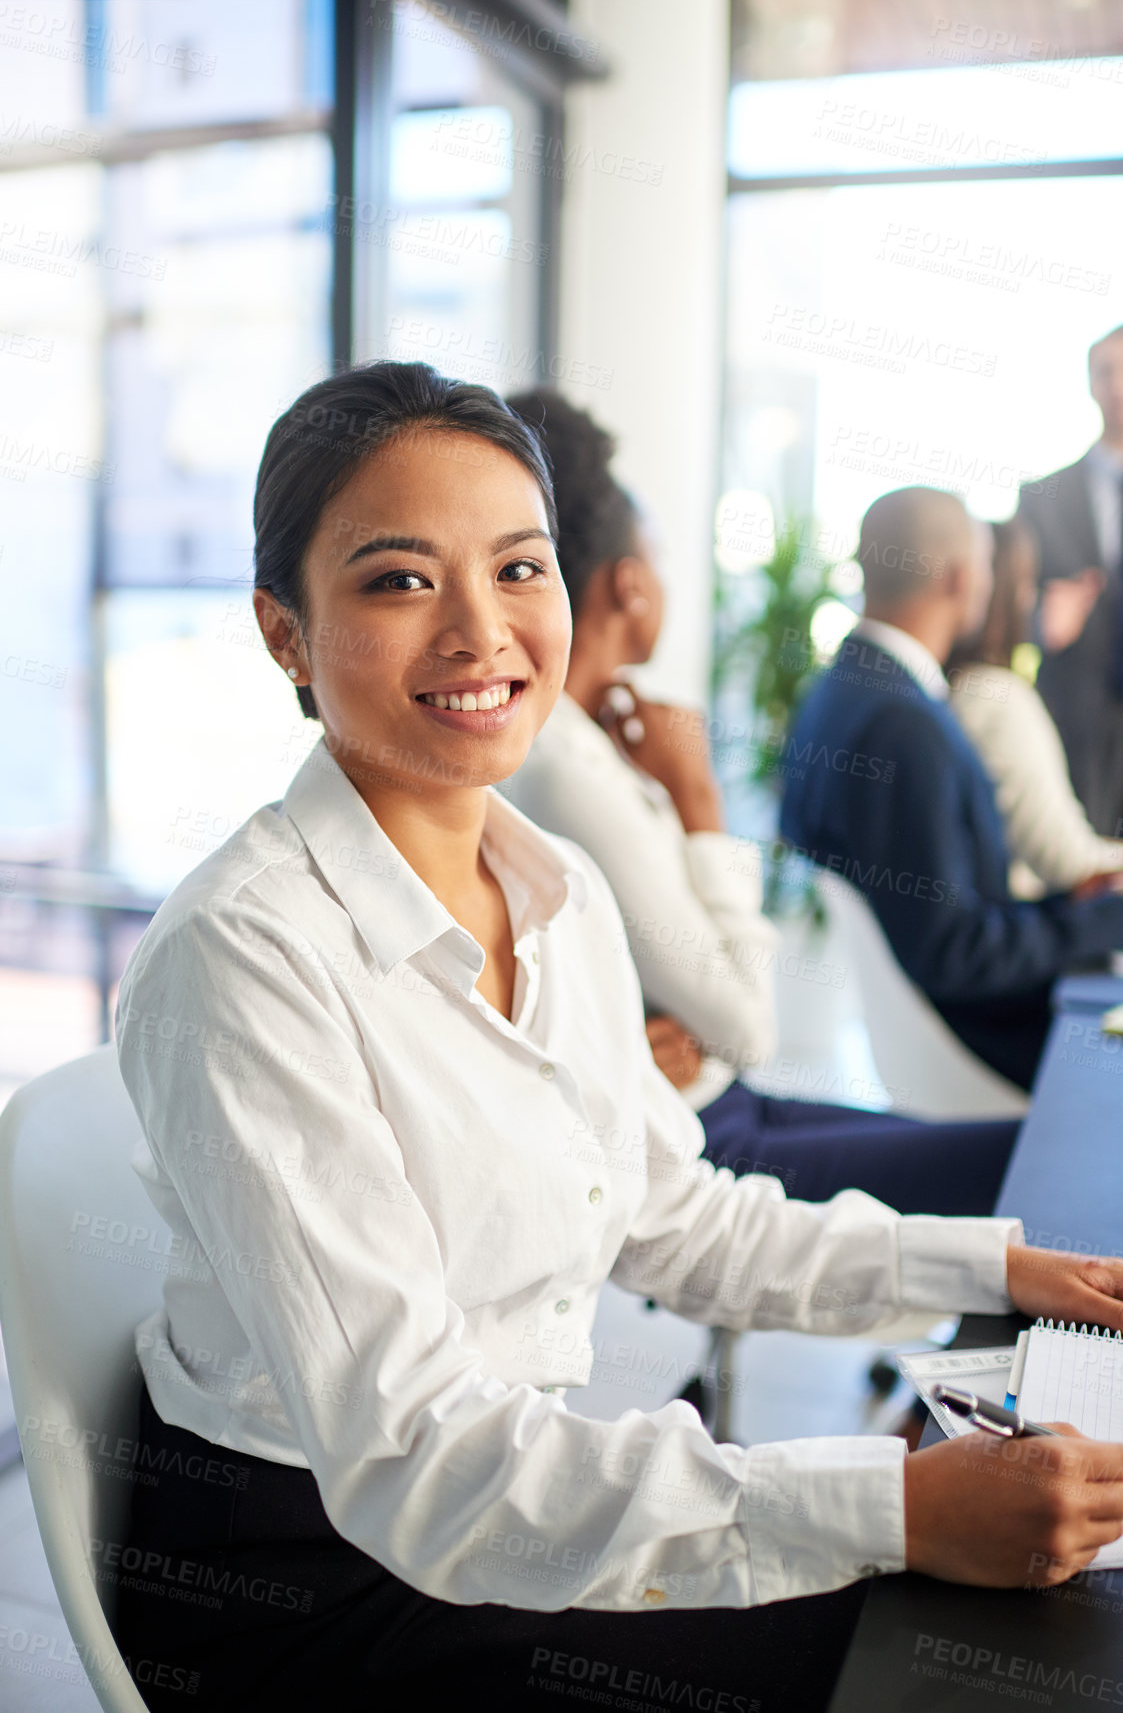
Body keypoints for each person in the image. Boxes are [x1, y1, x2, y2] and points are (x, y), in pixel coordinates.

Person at [111, 365, 1123, 1713]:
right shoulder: (242, 956)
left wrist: (1000, 1260)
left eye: (517, 567)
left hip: (492, 1490)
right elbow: (417, 1460)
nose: (482, 630)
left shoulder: (558, 890)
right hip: (320, 1576)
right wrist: (891, 1501)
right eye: (399, 579)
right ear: (284, 632)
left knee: (1005, 1623)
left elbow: (675, 1214)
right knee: (961, 1652)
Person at [502, 389, 1018, 1217]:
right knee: (1031, 1163)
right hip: (704, 1134)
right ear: (631, 587)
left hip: (715, 1104)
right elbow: (748, 1029)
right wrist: (700, 802)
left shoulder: (592, 743)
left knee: (1022, 1155)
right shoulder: (565, 761)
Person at [780, 486, 1123, 1093]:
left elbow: (948, 915)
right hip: (987, 1043)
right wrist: (1102, 921)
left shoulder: (843, 692)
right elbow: (955, 950)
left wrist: (1073, 908)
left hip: (950, 1028)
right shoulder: (903, 726)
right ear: (962, 579)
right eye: (989, 569)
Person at [948, 516, 1123, 897]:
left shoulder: (954, 688)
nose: (1032, 601)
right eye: (1028, 587)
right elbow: (1070, 862)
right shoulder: (996, 698)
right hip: (1025, 923)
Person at [1018, 324, 1123, 837]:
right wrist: (1042, 623)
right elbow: (1005, 613)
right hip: (1071, 727)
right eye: (1106, 373)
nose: (1119, 388)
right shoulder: (1043, 498)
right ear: (1089, 383)